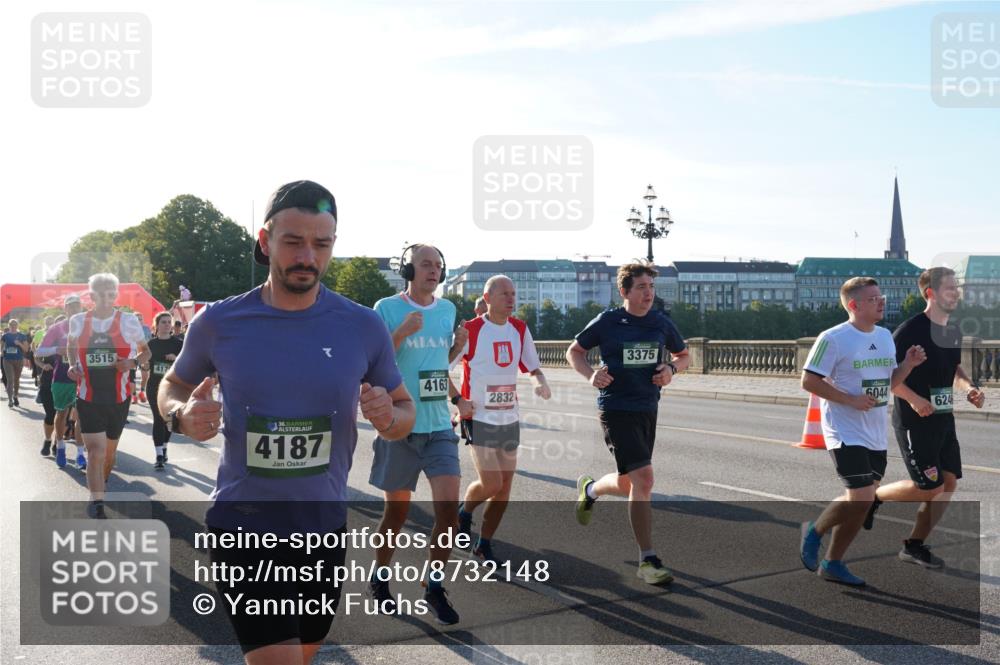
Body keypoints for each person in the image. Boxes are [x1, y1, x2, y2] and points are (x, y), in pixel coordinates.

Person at [158, 180, 415, 664]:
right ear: (265, 240)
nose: (307, 256)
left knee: (304, 655)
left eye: (321, 244)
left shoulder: (362, 325)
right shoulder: (218, 322)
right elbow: (169, 386)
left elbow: (403, 413)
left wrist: (390, 416)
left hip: (324, 527)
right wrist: (181, 414)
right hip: (245, 527)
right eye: (293, 241)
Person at [566, 262, 690, 585]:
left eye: (651, 287)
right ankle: (647, 559)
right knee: (644, 480)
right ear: (624, 292)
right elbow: (575, 351)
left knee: (630, 483)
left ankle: (590, 489)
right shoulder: (609, 321)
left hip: (648, 406)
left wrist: (671, 371)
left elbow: (684, 355)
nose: (648, 293)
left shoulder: (660, 323)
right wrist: (591, 374)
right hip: (616, 407)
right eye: (641, 287)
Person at [798, 277, 925, 587]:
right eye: (872, 299)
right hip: (844, 429)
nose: (881, 302)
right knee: (862, 496)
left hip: (874, 432)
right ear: (853, 305)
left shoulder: (883, 336)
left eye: (880, 297)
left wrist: (907, 365)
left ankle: (833, 562)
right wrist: (850, 399)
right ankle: (814, 531)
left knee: (862, 501)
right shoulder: (834, 338)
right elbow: (809, 381)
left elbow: (889, 383)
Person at [367, 243, 468, 625]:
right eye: (425, 264)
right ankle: (379, 577)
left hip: (439, 424)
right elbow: (375, 363)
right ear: (408, 270)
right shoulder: (386, 309)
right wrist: (400, 332)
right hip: (399, 425)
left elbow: (434, 367)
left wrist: (456, 350)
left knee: (448, 516)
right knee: (396, 513)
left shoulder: (447, 310)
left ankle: (434, 585)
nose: (433, 271)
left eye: (438, 266)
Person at [866, 267, 986, 568]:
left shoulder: (953, 330)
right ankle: (874, 497)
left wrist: (969, 387)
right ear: (930, 293)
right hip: (914, 420)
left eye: (956, 287)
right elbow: (889, 378)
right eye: (949, 287)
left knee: (948, 483)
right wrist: (915, 399)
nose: (956, 292)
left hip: (944, 419)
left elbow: (954, 370)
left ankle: (914, 544)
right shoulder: (909, 330)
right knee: (929, 487)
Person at [453, 275, 551, 564]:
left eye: (513, 293)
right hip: (478, 417)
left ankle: (484, 544)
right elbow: (441, 367)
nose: (511, 298)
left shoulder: (519, 329)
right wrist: (459, 400)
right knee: (492, 483)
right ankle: (464, 512)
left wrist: (539, 383)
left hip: (509, 417)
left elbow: (533, 368)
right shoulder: (471, 330)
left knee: (504, 490)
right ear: (487, 298)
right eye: (504, 293)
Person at [66, 274, 151, 514]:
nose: (106, 299)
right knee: (96, 451)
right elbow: (72, 346)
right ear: (91, 296)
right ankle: (96, 501)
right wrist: (73, 365)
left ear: (115, 295)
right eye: (100, 294)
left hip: (118, 399)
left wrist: (131, 362)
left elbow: (147, 353)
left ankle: (102, 481)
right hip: (88, 397)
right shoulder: (78, 321)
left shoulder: (128, 322)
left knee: (109, 453)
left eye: (110, 294)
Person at [36, 295, 86, 468]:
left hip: (84, 378)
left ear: (81, 308)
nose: (74, 309)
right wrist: (58, 349)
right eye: (71, 307)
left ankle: (80, 454)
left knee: (81, 417)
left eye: (77, 306)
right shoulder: (57, 328)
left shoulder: (88, 326)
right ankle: (61, 447)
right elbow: (40, 351)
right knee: (61, 414)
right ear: (65, 309)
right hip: (62, 378)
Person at [145, 311, 183, 470]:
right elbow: (144, 362)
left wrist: (176, 358)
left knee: (170, 420)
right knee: (158, 418)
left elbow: (188, 363)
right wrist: (143, 365)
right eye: (164, 322)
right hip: (154, 385)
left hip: (172, 387)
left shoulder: (179, 344)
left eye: (169, 322)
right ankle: (159, 455)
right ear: (156, 325)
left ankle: (164, 446)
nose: (167, 325)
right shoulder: (151, 344)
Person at [32, 317, 58, 452]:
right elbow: (36, 357)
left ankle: (57, 443)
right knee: (50, 414)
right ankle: (48, 439)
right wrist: (43, 365)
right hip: (49, 381)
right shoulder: (49, 340)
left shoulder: (74, 341)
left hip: (67, 382)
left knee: (63, 415)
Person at [2, 319, 30, 407]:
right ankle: (10, 399)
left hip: (18, 360)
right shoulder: (5, 336)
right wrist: (2, 350)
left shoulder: (22, 336)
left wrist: (19, 344)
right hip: (7, 360)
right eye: (11, 325)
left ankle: (15, 396)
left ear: (17, 326)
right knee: (10, 380)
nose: (13, 326)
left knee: (16, 380)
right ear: (9, 326)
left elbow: (26, 349)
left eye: (15, 325)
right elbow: (1, 347)